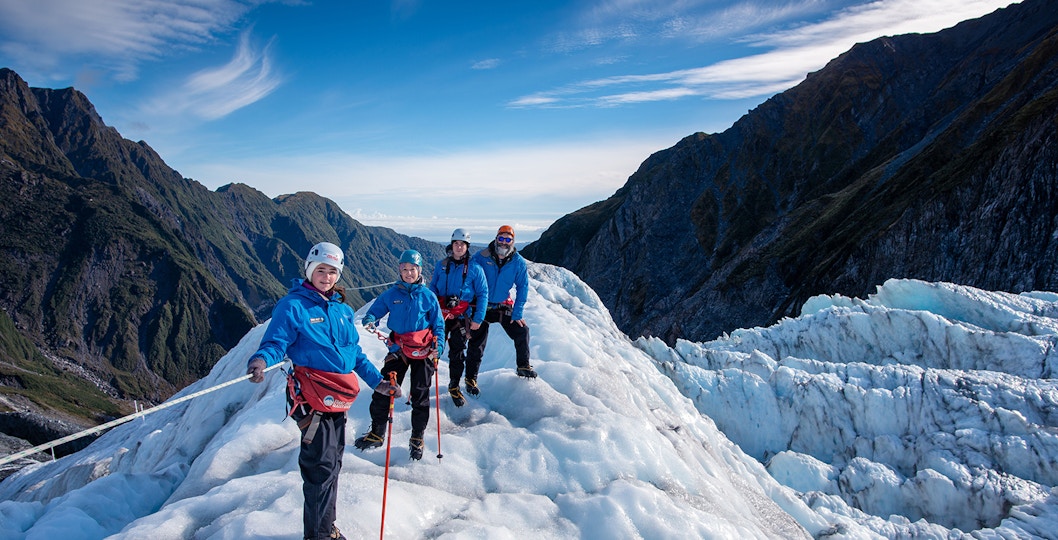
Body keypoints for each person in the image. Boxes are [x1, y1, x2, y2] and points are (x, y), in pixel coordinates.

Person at [246, 241, 402, 540]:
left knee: (332, 466)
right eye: (321, 270)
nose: (326, 276)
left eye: (332, 271)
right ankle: (317, 535)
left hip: (337, 398)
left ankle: (325, 528)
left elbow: (353, 353)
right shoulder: (293, 306)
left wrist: (378, 383)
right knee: (320, 469)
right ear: (309, 270)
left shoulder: (342, 311)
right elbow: (276, 342)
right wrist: (260, 361)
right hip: (312, 399)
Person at [355, 249, 445, 460]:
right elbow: (376, 310)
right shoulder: (391, 294)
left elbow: (438, 325)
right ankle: (377, 432)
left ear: (419, 270)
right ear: (399, 270)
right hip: (399, 348)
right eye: (404, 269)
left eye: (412, 269)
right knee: (383, 389)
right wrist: (370, 319)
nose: (408, 273)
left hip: (423, 350)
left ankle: (417, 437)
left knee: (420, 395)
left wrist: (438, 347)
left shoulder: (428, 297)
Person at [463, 225, 536, 395]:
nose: (504, 243)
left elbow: (523, 286)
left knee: (522, 331)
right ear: (496, 239)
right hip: (479, 305)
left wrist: (517, 312)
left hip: (501, 306)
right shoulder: (481, 257)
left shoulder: (517, 261)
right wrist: (466, 307)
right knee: (477, 343)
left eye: (507, 239)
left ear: (513, 241)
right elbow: (468, 280)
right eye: (501, 238)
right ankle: (471, 379)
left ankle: (523, 365)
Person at [429, 228, 488, 407]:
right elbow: (432, 289)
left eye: (462, 244)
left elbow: (483, 293)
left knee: (457, 353)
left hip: (461, 317)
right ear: (451, 245)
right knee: (431, 349)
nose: (459, 247)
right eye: (456, 243)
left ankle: (454, 385)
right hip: (440, 315)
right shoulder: (442, 265)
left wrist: (478, 318)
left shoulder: (475, 269)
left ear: (467, 246)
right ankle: (423, 383)